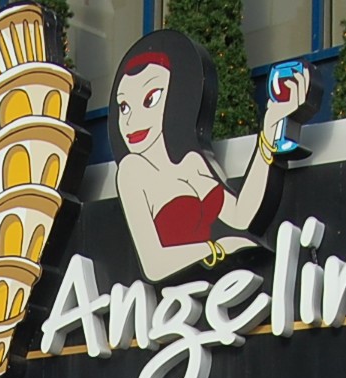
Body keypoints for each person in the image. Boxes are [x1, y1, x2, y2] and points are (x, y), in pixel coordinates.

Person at [111, 30, 307, 282]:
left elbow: (242, 216)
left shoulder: (192, 162)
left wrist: (267, 138)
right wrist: (219, 249)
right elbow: (153, 264)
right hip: (178, 301)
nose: (131, 120)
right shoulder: (131, 170)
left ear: (175, 99)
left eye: (151, 99)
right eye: (123, 106)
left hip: (212, 297)